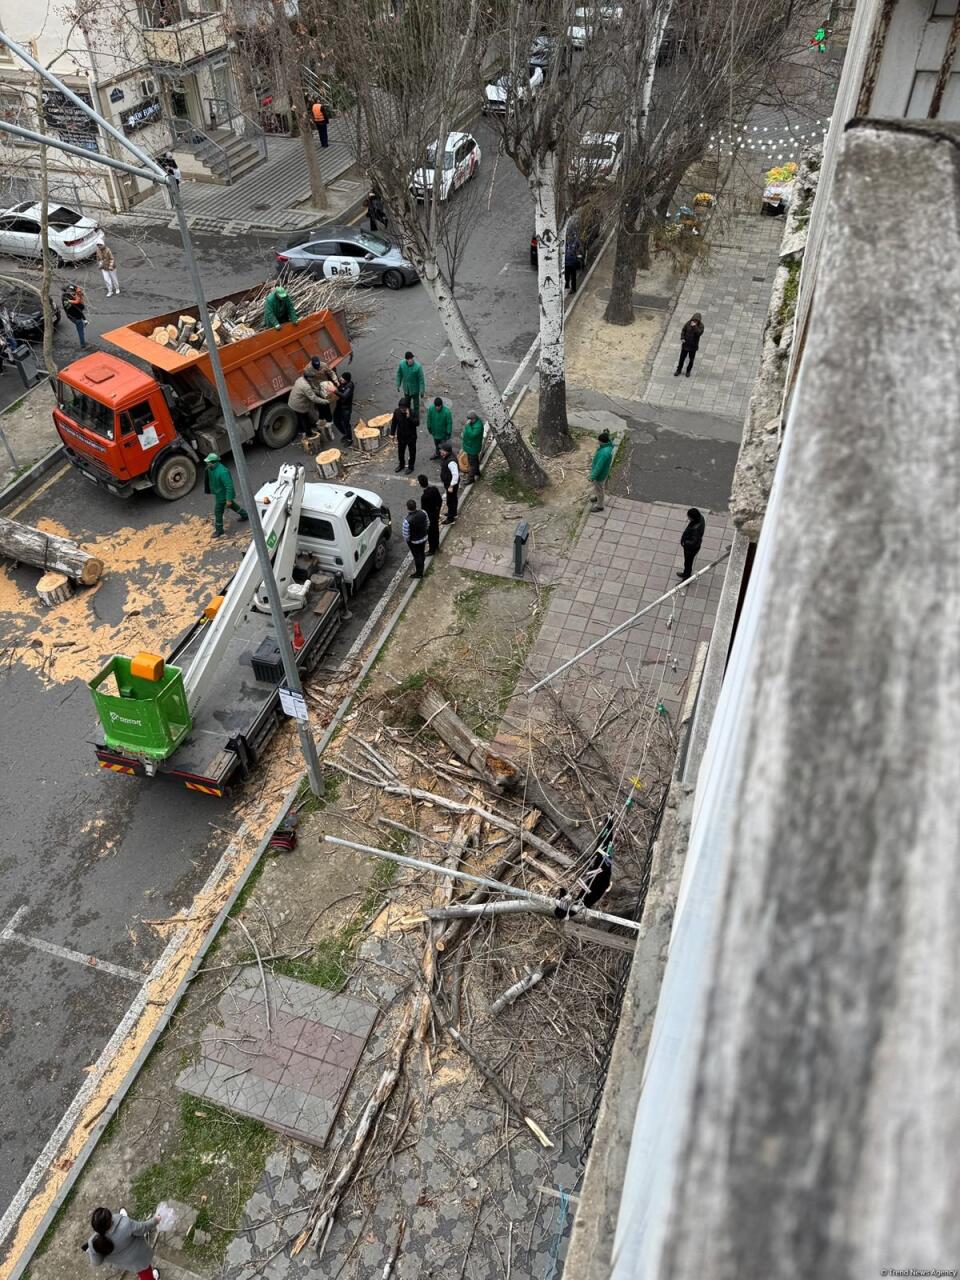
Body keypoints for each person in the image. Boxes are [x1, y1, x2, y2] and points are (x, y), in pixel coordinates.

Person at [83, 1206, 161, 1278]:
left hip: (125, 1263)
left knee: (140, 1271)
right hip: (138, 1259)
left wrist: (91, 1251)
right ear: (110, 1220)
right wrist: (156, 1220)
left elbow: (97, 1262)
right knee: (146, 1274)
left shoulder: (93, 1243)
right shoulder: (125, 1224)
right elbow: (143, 1228)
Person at [204, 453, 249, 537]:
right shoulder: (211, 468)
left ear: (213, 462)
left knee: (218, 512)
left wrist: (228, 499)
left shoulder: (222, 472)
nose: (207, 463)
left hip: (222, 495)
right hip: (218, 493)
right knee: (232, 505)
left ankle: (219, 530)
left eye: (208, 462)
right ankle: (245, 515)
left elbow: (229, 486)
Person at [288, 369, 327, 434]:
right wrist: (325, 401)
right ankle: (308, 433)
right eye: (312, 378)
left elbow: (309, 389)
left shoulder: (300, 379)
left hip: (292, 401)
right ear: (308, 378)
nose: (313, 379)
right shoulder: (305, 386)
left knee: (300, 417)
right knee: (304, 419)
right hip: (298, 405)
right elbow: (314, 398)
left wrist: (317, 391)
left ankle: (301, 430)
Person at [402, 498, 429, 579]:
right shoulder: (423, 512)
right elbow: (427, 523)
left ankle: (419, 573)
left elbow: (406, 535)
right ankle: (422, 564)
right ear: (415, 506)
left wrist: (408, 541)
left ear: (407, 508)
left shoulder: (407, 521)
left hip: (414, 541)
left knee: (417, 556)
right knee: (422, 552)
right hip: (424, 537)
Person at [390, 396, 418, 473]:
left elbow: (417, 423)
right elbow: (394, 423)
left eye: (404, 408)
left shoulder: (413, 412)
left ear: (407, 407)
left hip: (411, 437)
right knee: (400, 452)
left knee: (412, 452)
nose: (402, 409)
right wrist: (392, 434)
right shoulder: (397, 412)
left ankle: (411, 466)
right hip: (401, 437)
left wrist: (409, 417)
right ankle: (401, 465)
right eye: (401, 408)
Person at [589, 430, 615, 512]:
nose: (598, 441)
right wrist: (606, 433)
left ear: (602, 442)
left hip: (600, 475)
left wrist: (592, 476)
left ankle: (600, 506)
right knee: (598, 489)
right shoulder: (609, 446)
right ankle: (597, 497)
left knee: (600, 490)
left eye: (599, 440)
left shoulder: (604, 453)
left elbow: (598, 467)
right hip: (605, 472)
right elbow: (609, 439)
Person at [677, 507, 706, 580]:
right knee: (688, 563)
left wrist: (684, 543)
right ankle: (686, 574)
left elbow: (693, 542)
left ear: (693, 518)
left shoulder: (695, 529)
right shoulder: (701, 518)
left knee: (688, 563)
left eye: (689, 517)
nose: (688, 518)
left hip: (690, 550)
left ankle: (686, 577)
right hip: (694, 547)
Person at [418, 473, 442, 554]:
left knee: (431, 534)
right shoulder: (434, 489)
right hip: (436, 514)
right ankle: (437, 545)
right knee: (436, 530)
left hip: (430, 517)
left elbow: (424, 510)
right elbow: (440, 501)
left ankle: (432, 550)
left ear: (420, 485)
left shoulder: (424, 497)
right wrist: (438, 510)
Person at [395, 350, 425, 418]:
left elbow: (421, 380)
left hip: (415, 390)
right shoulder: (402, 364)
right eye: (409, 359)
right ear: (406, 359)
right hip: (406, 389)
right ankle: (408, 415)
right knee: (407, 403)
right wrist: (398, 384)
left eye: (411, 358)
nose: (410, 360)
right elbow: (399, 374)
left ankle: (416, 416)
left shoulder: (418, 367)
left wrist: (422, 391)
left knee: (416, 405)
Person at [675, 312, 704, 377]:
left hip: (693, 346)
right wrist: (682, 337)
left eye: (696, 321)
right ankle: (679, 370)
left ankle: (688, 371)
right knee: (682, 358)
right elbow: (683, 330)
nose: (694, 322)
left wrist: (694, 327)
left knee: (691, 359)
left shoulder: (701, 326)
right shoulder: (688, 323)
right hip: (685, 345)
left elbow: (699, 333)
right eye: (694, 320)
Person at [62, 283, 88, 349]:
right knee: (80, 331)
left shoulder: (64, 296)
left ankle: (83, 343)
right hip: (76, 317)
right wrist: (79, 295)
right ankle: (83, 345)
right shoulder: (71, 299)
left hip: (71, 316)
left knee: (80, 328)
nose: (73, 292)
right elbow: (81, 307)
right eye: (72, 291)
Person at [460, 412, 484, 484]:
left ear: (474, 419)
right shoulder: (474, 423)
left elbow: (472, 435)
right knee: (475, 460)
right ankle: (477, 472)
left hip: (473, 448)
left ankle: (471, 478)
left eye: (470, 419)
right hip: (471, 447)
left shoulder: (478, 426)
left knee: (472, 463)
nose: (469, 421)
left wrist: (467, 426)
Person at [439, 443, 459, 524]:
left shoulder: (451, 462)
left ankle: (450, 519)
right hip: (449, 483)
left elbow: (455, 475)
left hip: (451, 485)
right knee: (452, 499)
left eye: (442, 450)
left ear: (446, 451)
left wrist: (451, 486)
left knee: (451, 501)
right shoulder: (448, 457)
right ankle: (453, 513)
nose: (440, 451)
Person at [333, 371, 354, 443]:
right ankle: (345, 433)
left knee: (346, 424)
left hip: (346, 408)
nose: (340, 380)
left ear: (346, 380)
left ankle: (349, 439)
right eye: (340, 378)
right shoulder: (341, 383)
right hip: (339, 406)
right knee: (336, 420)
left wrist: (334, 391)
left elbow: (344, 395)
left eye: (342, 379)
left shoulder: (350, 386)